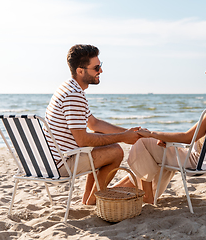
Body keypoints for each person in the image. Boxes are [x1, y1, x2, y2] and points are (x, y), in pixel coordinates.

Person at [116, 50, 206, 204]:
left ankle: (146, 196)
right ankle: (117, 192)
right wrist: (161, 138)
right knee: (154, 149)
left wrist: (151, 134)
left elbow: (188, 137)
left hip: (198, 161)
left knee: (142, 143)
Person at [44, 44, 141, 205]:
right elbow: (83, 141)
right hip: (61, 164)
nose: (100, 71)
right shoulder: (74, 95)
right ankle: (94, 199)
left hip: (51, 160)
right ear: (80, 71)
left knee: (105, 140)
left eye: (100, 66)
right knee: (116, 152)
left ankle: (89, 199)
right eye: (96, 68)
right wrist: (123, 138)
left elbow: (94, 123)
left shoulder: (68, 88)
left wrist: (129, 133)